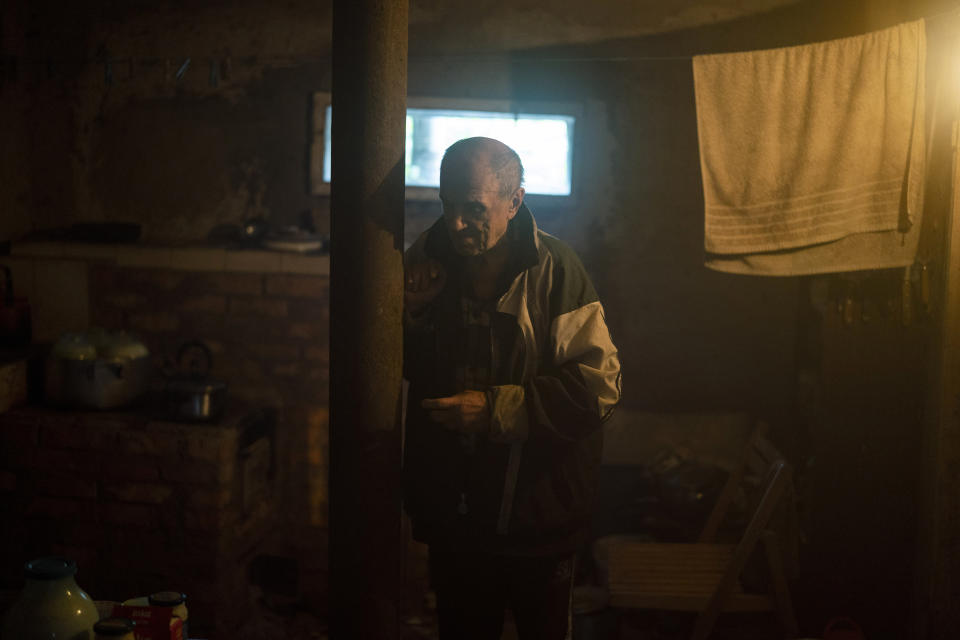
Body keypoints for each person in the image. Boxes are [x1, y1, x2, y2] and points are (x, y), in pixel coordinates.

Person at [403, 137, 621, 640]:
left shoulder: (555, 271)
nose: (455, 223)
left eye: (473, 209)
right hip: (455, 515)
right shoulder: (427, 260)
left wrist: (496, 411)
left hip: (537, 515)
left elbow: (600, 387)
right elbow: (408, 375)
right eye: (447, 205)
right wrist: (413, 315)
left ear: (515, 201)